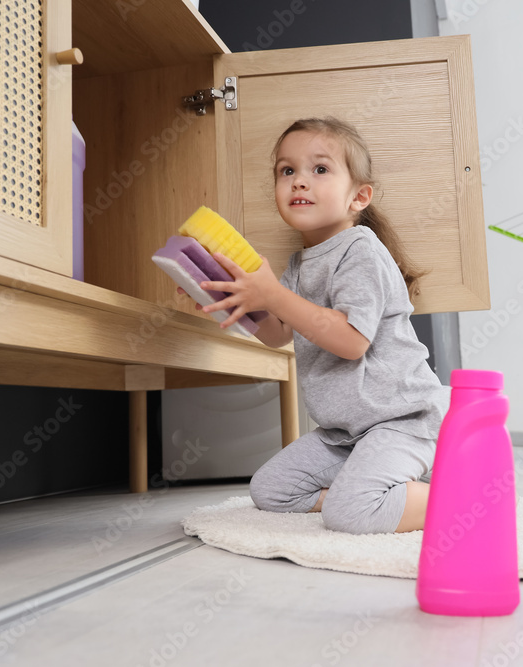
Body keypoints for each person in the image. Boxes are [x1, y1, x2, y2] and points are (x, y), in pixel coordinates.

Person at [179, 117, 449, 534]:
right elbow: (277, 334)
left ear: (358, 197)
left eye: (320, 169)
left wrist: (273, 294)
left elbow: (351, 342)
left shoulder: (361, 251)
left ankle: (459, 496)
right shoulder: (299, 264)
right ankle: (378, 491)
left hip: (401, 421)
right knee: (270, 490)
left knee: (348, 515)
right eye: (287, 170)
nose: (299, 181)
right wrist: (232, 301)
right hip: (344, 434)